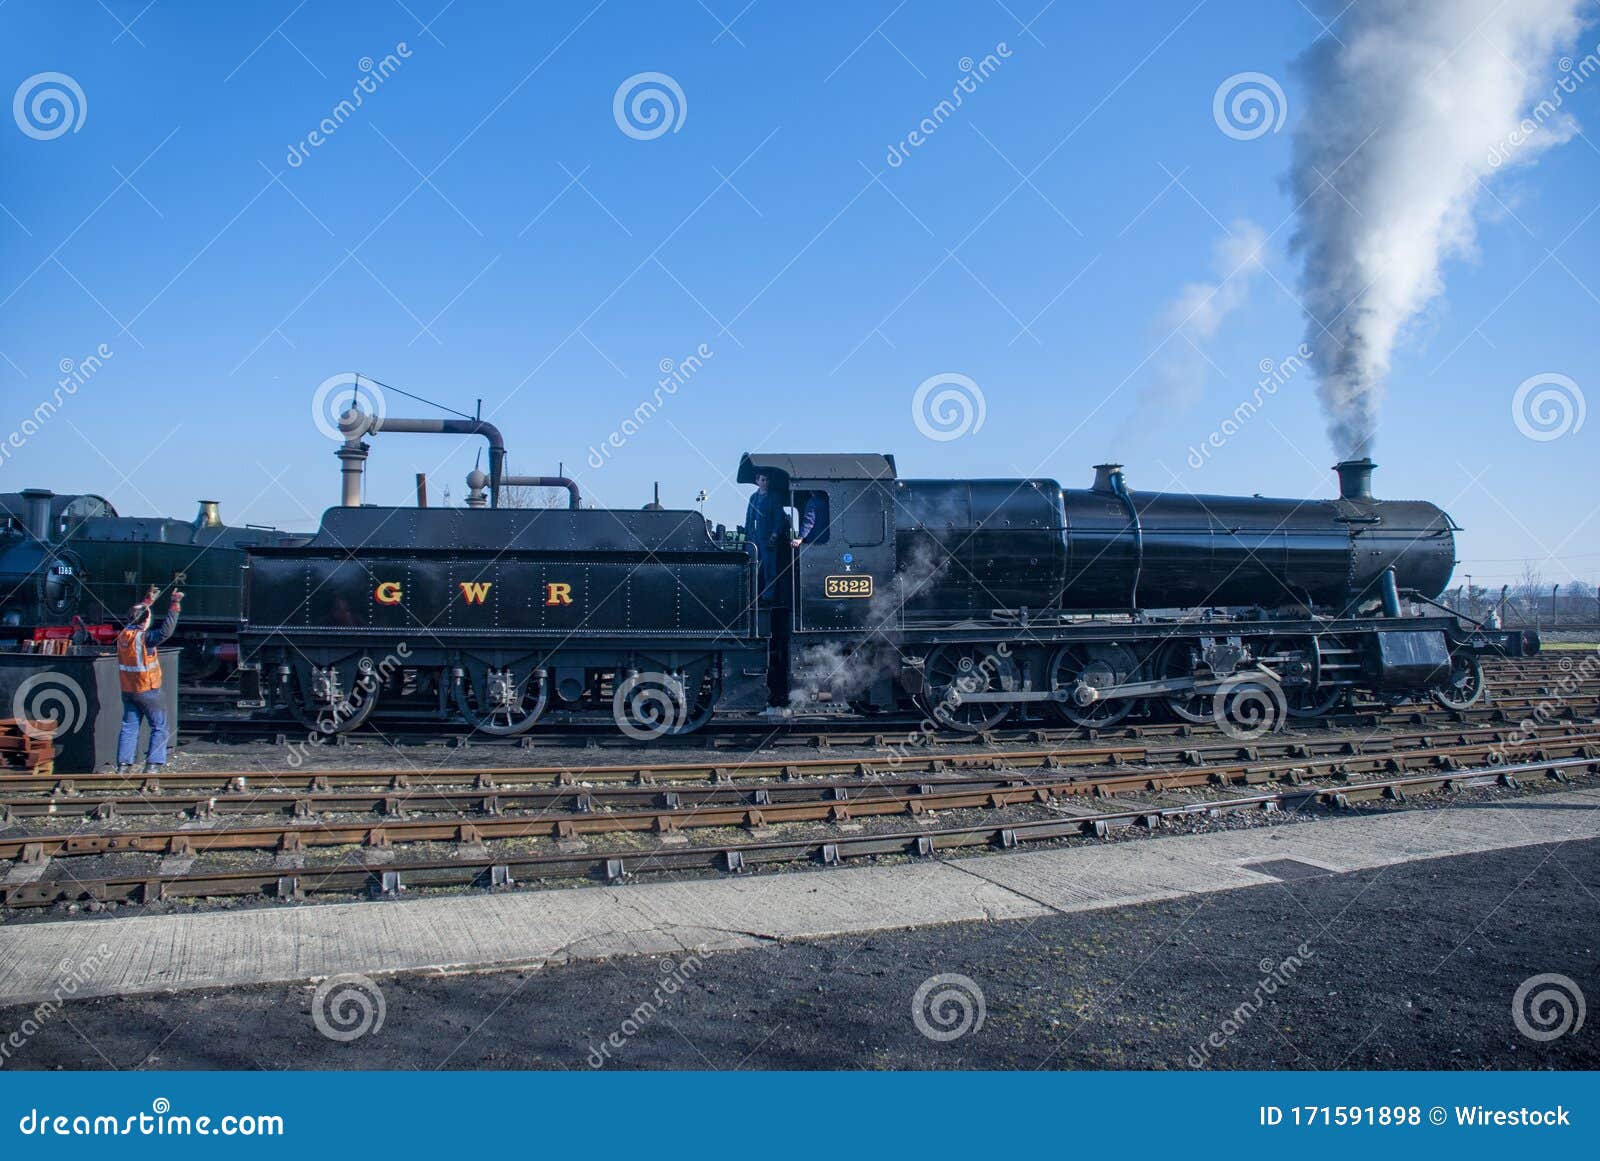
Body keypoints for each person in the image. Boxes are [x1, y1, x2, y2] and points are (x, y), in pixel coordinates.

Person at [115, 584, 182, 774]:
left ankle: (123, 766)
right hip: (148, 689)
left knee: (129, 726)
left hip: (128, 690)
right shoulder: (146, 638)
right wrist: (174, 604)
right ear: (145, 622)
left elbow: (138, 615)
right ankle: (153, 765)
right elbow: (166, 631)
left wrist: (148, 600)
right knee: (159, 726)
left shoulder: (123, 635)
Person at [744, 472, 786, 601]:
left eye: (767, 480)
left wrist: (774, 535)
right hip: (754, 539)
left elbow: (779, 518)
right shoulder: (753, 498)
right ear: (757, 481)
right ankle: (751, 595)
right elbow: (749, 517)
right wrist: (747, 536)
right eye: (763, 480)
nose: (765, 482)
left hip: (768, 539)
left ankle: (768, 597)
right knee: (752, 568)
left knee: (769, 569)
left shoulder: (774, 497)